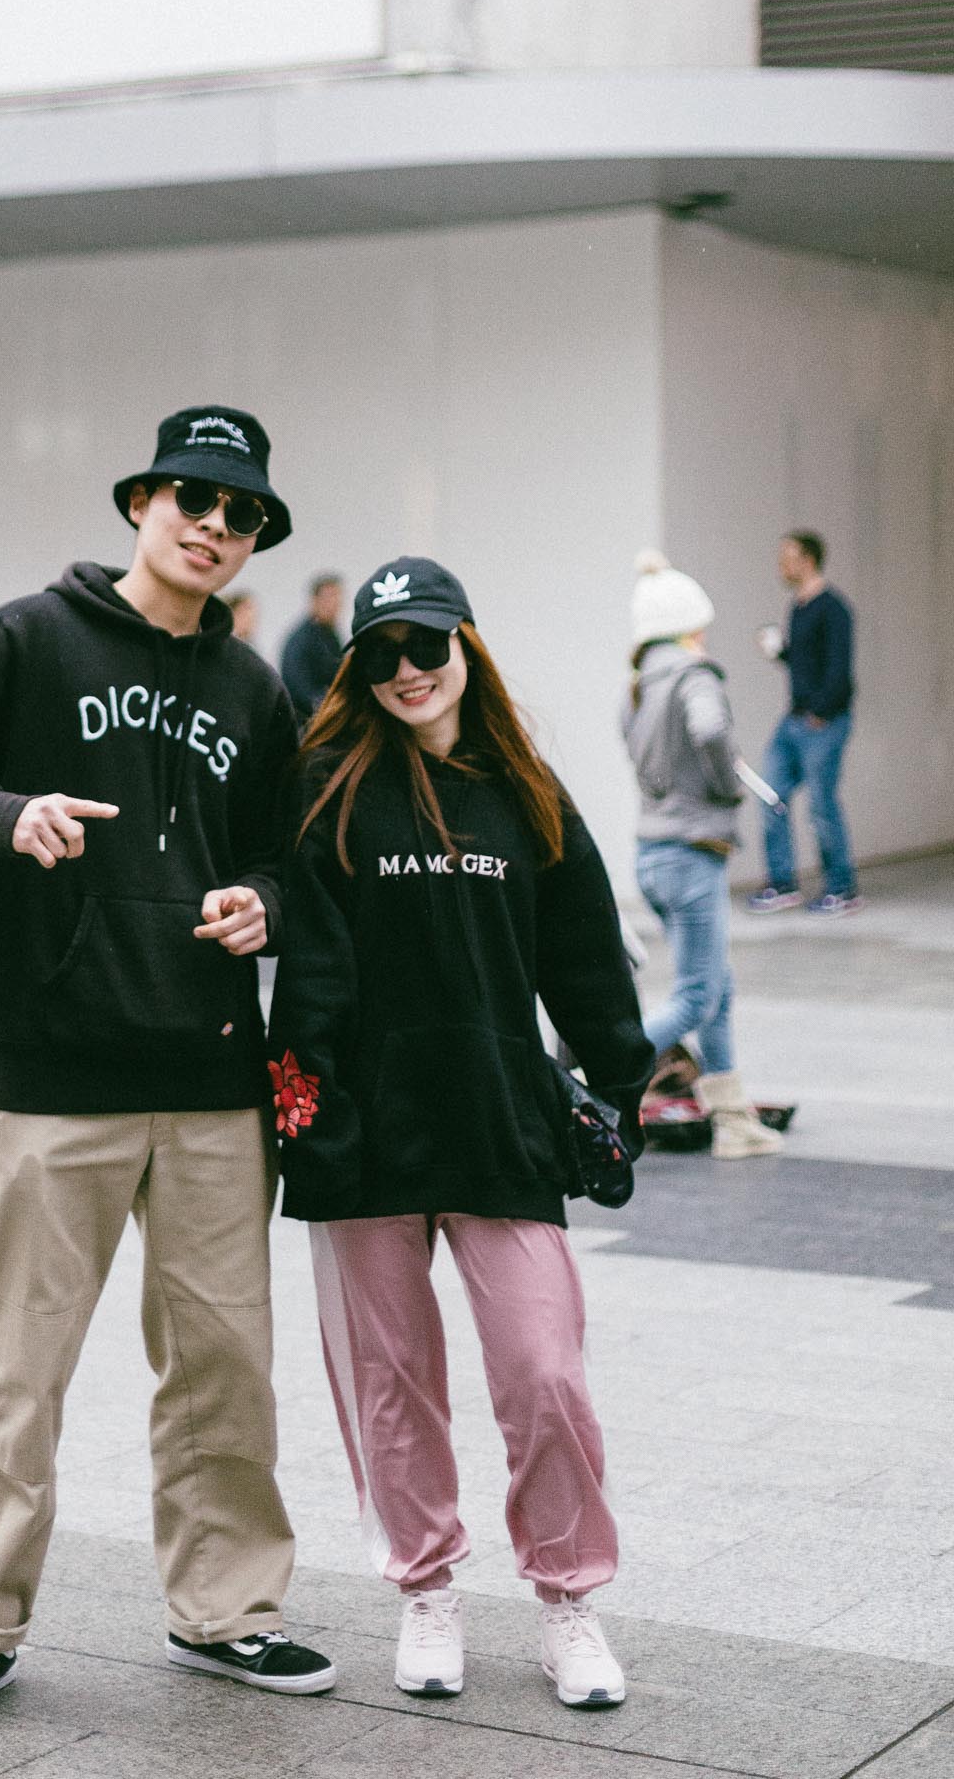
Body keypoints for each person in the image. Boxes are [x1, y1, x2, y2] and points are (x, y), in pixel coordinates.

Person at [0, 405, 334, 1729]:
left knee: (223, 1368)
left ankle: (227, 1611)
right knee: (18, 1374)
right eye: (193, 499)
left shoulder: (252, 687)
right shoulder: (28, 638)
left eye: (241, 514)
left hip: (211, 1086)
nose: (214, 527)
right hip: (51, 1080)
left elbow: (289, 852)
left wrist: (262, 904)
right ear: (141, 502)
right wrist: (4, 813)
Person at [267, 555, 651, 1711]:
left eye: (425, 645)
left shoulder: (524, 790)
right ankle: (425, 1590)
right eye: (380, 652)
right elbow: (311, 974)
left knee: (545, 1374)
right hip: (362, 1136)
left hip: (498, 1120)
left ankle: (567, 1600)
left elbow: (584, 958)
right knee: (389, 1387)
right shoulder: (329, 785)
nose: (406, 670)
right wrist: (305, 1118)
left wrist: (619, 1092)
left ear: (465, 648)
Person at [623, 552, 779, 1159]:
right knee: (697, 995)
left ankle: (733, 1120)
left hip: (653, 852)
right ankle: (585, 1076)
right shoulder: (694, 675)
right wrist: (725, 786)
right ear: (687, 626)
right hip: (691, 852)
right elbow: (711, 731)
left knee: (716, 988)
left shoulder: (638, 684)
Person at [749, 531, 860, 914]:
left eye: (787, 557)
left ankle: (842, 888)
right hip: (794, 719)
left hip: (822, 723)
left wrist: (821, 713)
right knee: (771, 793)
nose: (781, 564)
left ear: (808, 560)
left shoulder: (834, 608)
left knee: (822, 805)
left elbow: (840, 670)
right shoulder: (797, 607)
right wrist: (781, 652)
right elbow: (804, 661)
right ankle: (782, 883)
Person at [280, 572, 345, 721]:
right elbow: (299, 689)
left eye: (337, 597)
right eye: (329, 597)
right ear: (314, 601)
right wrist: (332, 708)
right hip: (305, 722)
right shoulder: (300, 641)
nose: (335, 604)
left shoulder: (331, 636)